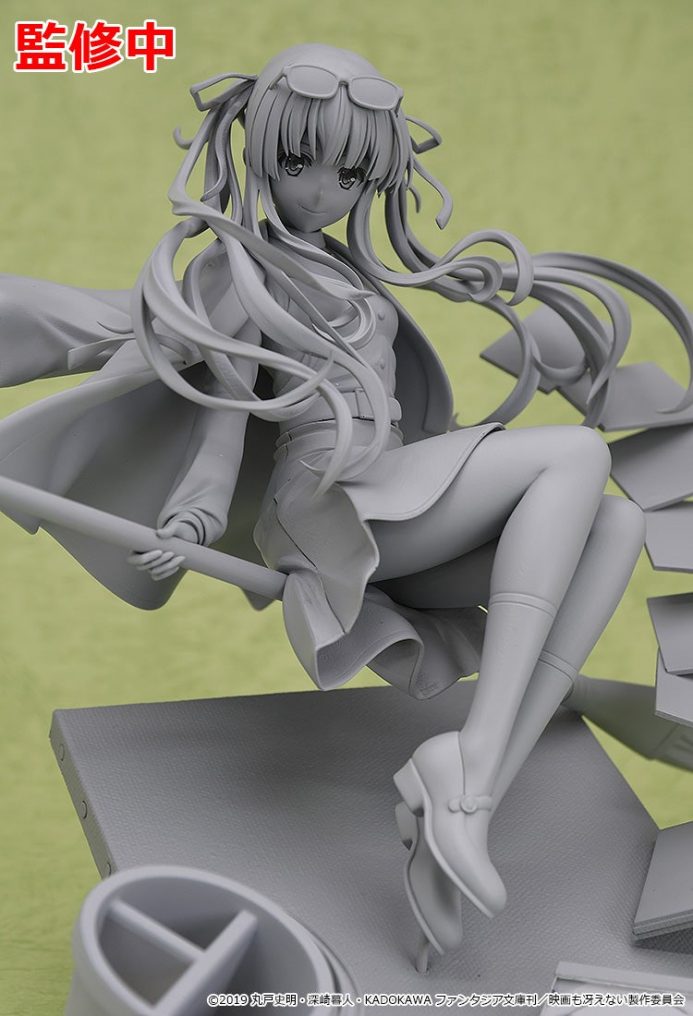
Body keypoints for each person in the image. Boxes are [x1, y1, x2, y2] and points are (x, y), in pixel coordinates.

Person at [0, 43, 690, 963]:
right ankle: (466, 779)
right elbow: (220, 417)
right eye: (299, 162)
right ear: (259, 153)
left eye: (351, 174)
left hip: (395, 490)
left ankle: (471, 786)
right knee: (572, 454)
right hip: (327, 503)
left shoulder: (347, 272)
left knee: (614, 520)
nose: (323, 190)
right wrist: (191, 520)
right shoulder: (236, 271)